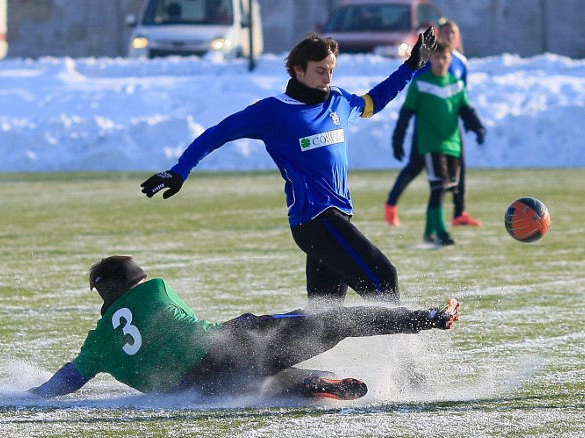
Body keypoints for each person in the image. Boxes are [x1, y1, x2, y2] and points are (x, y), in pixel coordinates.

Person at [140, 29, 437, 310]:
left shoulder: (340, 101)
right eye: (320, 70)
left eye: (331, 70)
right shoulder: (273, 111)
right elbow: (217, 133)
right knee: (383, 278)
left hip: (337, 217)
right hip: (315, 220)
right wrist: (179, 171)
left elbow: (375, 100)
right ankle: (405, 361)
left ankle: (270, 356)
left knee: (324, 316)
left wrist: (411, 66)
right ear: (298, 69)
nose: (327, 78)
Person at [28, 255, 461, 401]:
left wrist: (35, 396)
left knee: (263, 381)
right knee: (332, 322)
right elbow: (193, 330)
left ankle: (316, 384)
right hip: (227, 348)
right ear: (134, 282)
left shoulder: (98, 344)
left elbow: (69, 378)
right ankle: (430, 317)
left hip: (194, 388)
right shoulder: (155, 289)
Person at [384, 20, 485, 227]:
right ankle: (392, 204)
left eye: (453, 33)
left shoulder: (460, 62)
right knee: (415, 167)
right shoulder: (429, 60)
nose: (450, 36)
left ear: (457, 37)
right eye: (446, 32)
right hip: (427, 128)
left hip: (450, 127)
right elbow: (417, 90)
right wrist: (399, 136)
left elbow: (461, 93)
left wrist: (470, 122)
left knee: (460, 169)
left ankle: (459, 213)